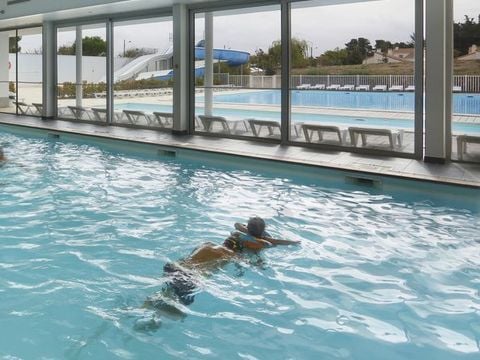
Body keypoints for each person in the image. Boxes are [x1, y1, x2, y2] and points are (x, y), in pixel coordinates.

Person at [142, 217, 299, 315]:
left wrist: (245, 235)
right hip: (191, 278)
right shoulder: (232, 255)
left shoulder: (207, 243)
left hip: (174, 267)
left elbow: (237, 227)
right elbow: (258, 260)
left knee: (165, 293)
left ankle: (143, 307)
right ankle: (150, 320)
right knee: (176, 313)